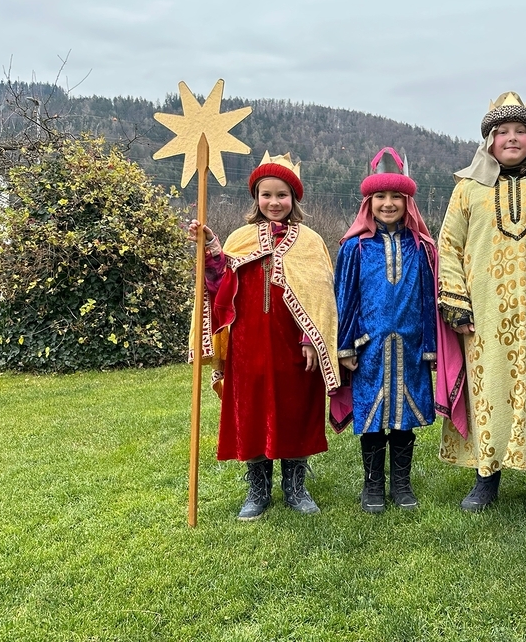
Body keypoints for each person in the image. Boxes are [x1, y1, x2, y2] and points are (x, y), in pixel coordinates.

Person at [436, 91, 526, 511]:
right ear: (490, 141)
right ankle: (487, 477)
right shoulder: (467, 191)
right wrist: (456, 301)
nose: (512, 138)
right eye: (503, 131)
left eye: (521, 130)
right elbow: (449, 247)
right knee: (489, 391)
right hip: (484, 314)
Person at [188, 151, 339, 519]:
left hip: (294, 346)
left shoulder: (310, 241)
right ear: (256, 197)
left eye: (282, 195)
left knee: (296, 410)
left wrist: (311, 340)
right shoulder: (240, 238)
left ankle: (295, 487)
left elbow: (321, 296)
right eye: (266, 194)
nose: (274, 202)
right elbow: (218, 287)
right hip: (248, 344)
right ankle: (258, 490)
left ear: (294, 198)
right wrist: (210, 248)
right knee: (251, 412)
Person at [332, 148, 438, 513]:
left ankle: (402, 485)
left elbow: (428, 298)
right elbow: (344, 298)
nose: (388, 203)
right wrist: (345, 346)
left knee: (405, 417)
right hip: (369, 346)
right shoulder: (355, 248)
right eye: (380, 197)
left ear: (408, 202)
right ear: (369, 202)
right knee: (373, 417)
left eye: (396, 197)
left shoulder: (421, 248)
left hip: (410, 344)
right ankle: (373, 486)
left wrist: (430, 344)